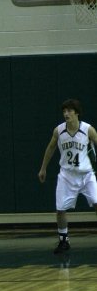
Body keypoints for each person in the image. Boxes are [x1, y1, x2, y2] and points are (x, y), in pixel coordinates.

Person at [38, 98, 97, 253]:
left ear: (77, 113)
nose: (66, 114)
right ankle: (64, 240)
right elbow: (50, 149)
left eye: (69, 111)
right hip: (67, 175)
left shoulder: (88, 129)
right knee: (60, 209)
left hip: (86, 174)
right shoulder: (59, 130)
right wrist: (43, 168)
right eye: (64, 111)